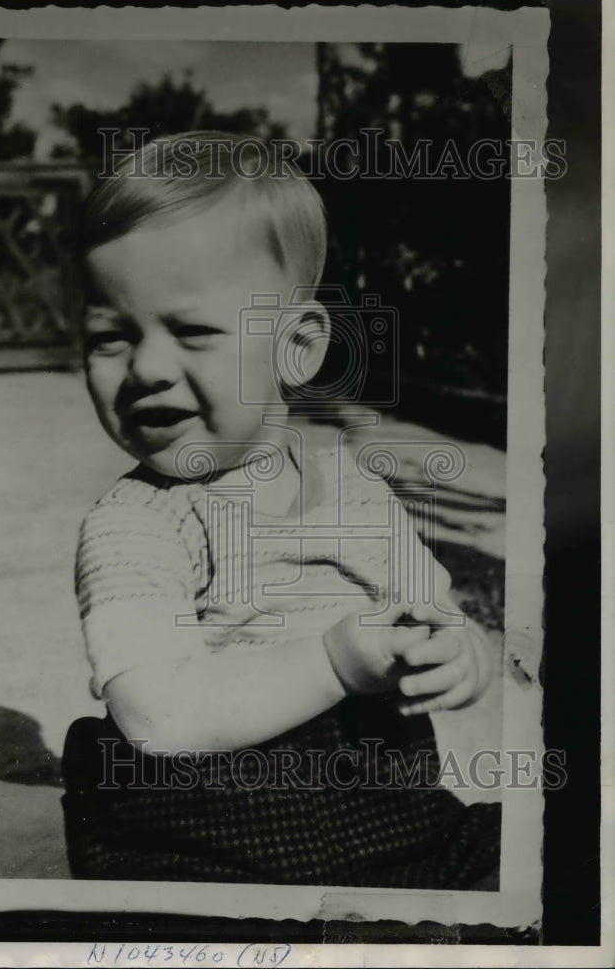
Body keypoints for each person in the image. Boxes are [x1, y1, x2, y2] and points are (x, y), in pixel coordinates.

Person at [63, 131, 500, 887]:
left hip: (391, 816)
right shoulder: (137, 523)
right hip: (205, 838)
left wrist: (460, 651)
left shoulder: (350, 485)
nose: (147, 369)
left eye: (192, 332)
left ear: (296, 347)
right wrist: (333, 661)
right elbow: (157, 718)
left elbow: (426, 610)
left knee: (534, 868)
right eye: (110, 337)